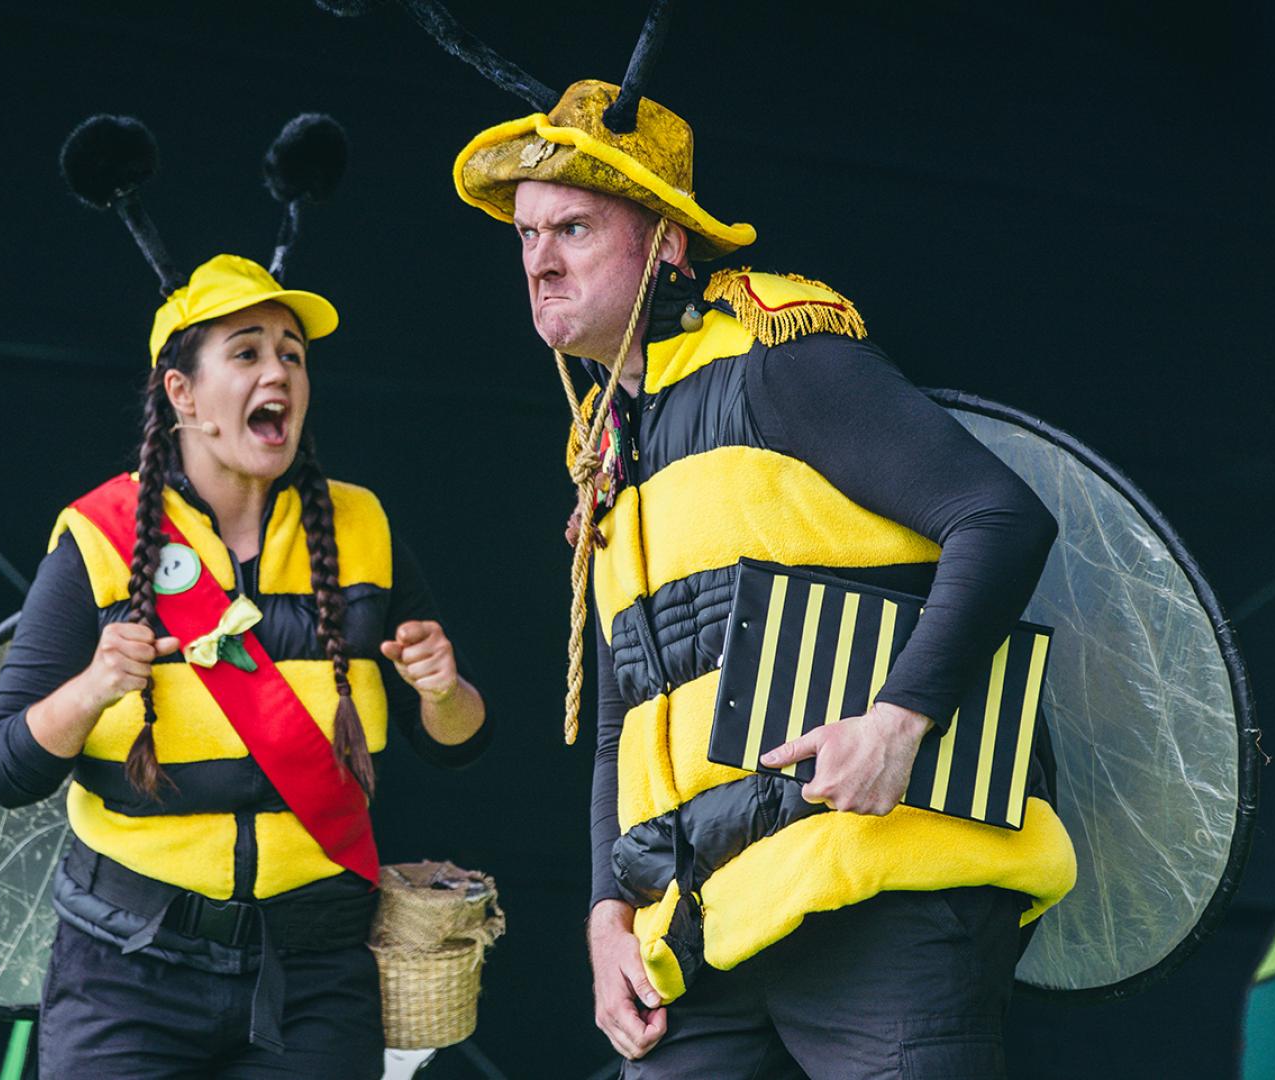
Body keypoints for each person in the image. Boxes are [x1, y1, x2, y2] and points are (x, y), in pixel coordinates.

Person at [450, 75, 1076, 1079]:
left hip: (880, 886)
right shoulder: (607, 447)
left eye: (571, 227)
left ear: (668, 242)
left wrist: (896, 725)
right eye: (525, 236)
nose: (541, 262)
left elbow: (1001, 520)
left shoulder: (781, 359)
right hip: (710, 922)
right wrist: (610, 914)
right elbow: (627, 713)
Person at [0, 115, 489, 1080]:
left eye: (292, 355)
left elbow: (458, 744)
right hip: (126, 970)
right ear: (183, 394)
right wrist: (90, 688)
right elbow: (3, 769)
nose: (278, 374)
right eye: (247, 353)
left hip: (316, 970)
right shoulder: (96, 536)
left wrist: (443, 692)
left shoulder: (365, 528)